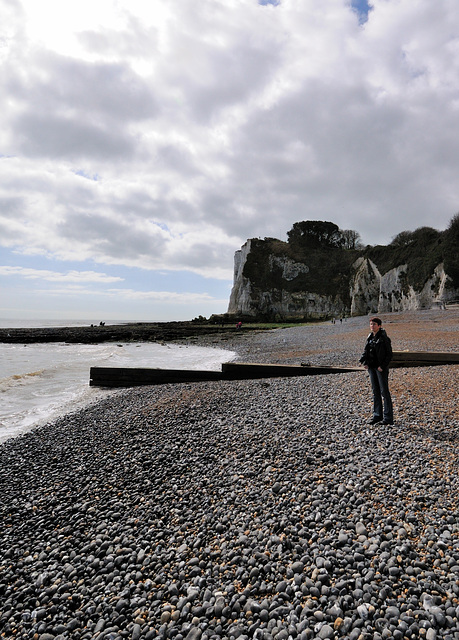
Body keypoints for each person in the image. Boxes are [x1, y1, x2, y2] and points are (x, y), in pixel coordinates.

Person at [359, 317, 394, 425]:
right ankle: (377, 415)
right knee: (375, 392)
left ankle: (388, 418)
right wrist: (364, 362)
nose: (372, 326)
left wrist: (382, 366)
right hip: (372, 368)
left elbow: (389, 354)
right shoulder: (370, 337)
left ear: (379, 326)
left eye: (374, 324)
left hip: (380, 368)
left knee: (384, 392)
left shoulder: (384, 338)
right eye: (371, 324)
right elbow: (366, 350)